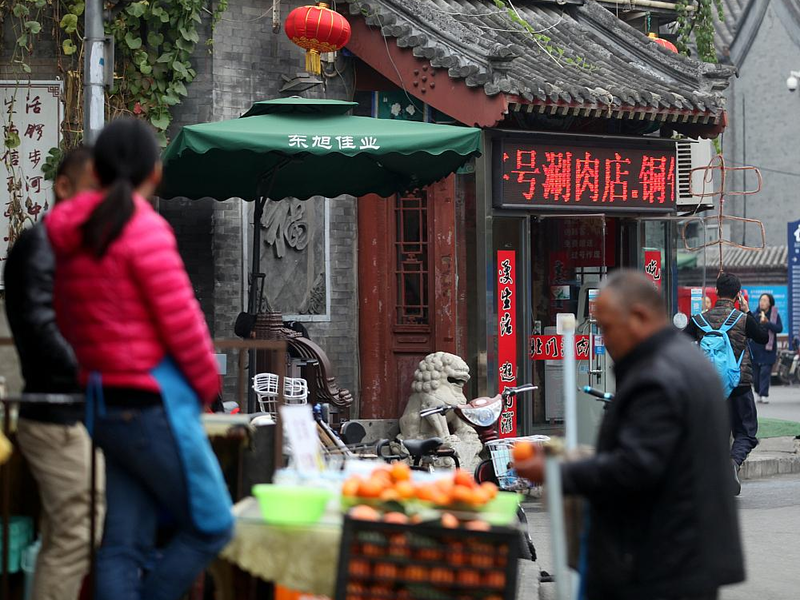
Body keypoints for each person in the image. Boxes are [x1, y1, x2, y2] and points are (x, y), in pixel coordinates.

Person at [45, 118, 233, 600]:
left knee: (123, 545)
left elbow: (65, 320)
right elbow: (183, 323)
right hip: (150, 406)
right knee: (212, 524)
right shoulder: (143, 227)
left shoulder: (69, 233)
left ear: (100, 171)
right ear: (154, 170)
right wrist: (209, 385)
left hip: (101, 404)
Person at [515, 271, 744, 600]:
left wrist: (554, 470)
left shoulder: (658, 375)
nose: (604, 339)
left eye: (607, 327)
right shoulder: (687, 360)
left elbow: (636, 467)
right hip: (685, 557)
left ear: (638, 316)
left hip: (658, 563)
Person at [4, 147, 104, 600]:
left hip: (62, 409)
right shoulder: (40, 245)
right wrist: (87, 369)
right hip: (53, 412)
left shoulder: (61, 247)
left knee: (69, 527)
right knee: (81, 524)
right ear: (63, 187)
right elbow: (40, 327)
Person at [684, 272, 768, 494]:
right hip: (739, 385)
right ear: (738, 295)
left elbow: (679, 342)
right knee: (747, 432)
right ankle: (733, 463)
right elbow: (763, 337)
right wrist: (748, 309)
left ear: (717, 292)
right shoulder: (743, 319)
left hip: (710, 387)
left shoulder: (700, 320)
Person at [749, 293, 783, 404]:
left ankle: (764, 394)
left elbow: (779, 328)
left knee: (765, 372)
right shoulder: (754, 314)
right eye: (761, 300)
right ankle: (758, 391)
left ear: (770, 303)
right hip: (756, 349)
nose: (762, 302)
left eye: (765, 300)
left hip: (768, 349)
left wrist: (767, 323)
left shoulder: (774, 315)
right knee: (756, 374)